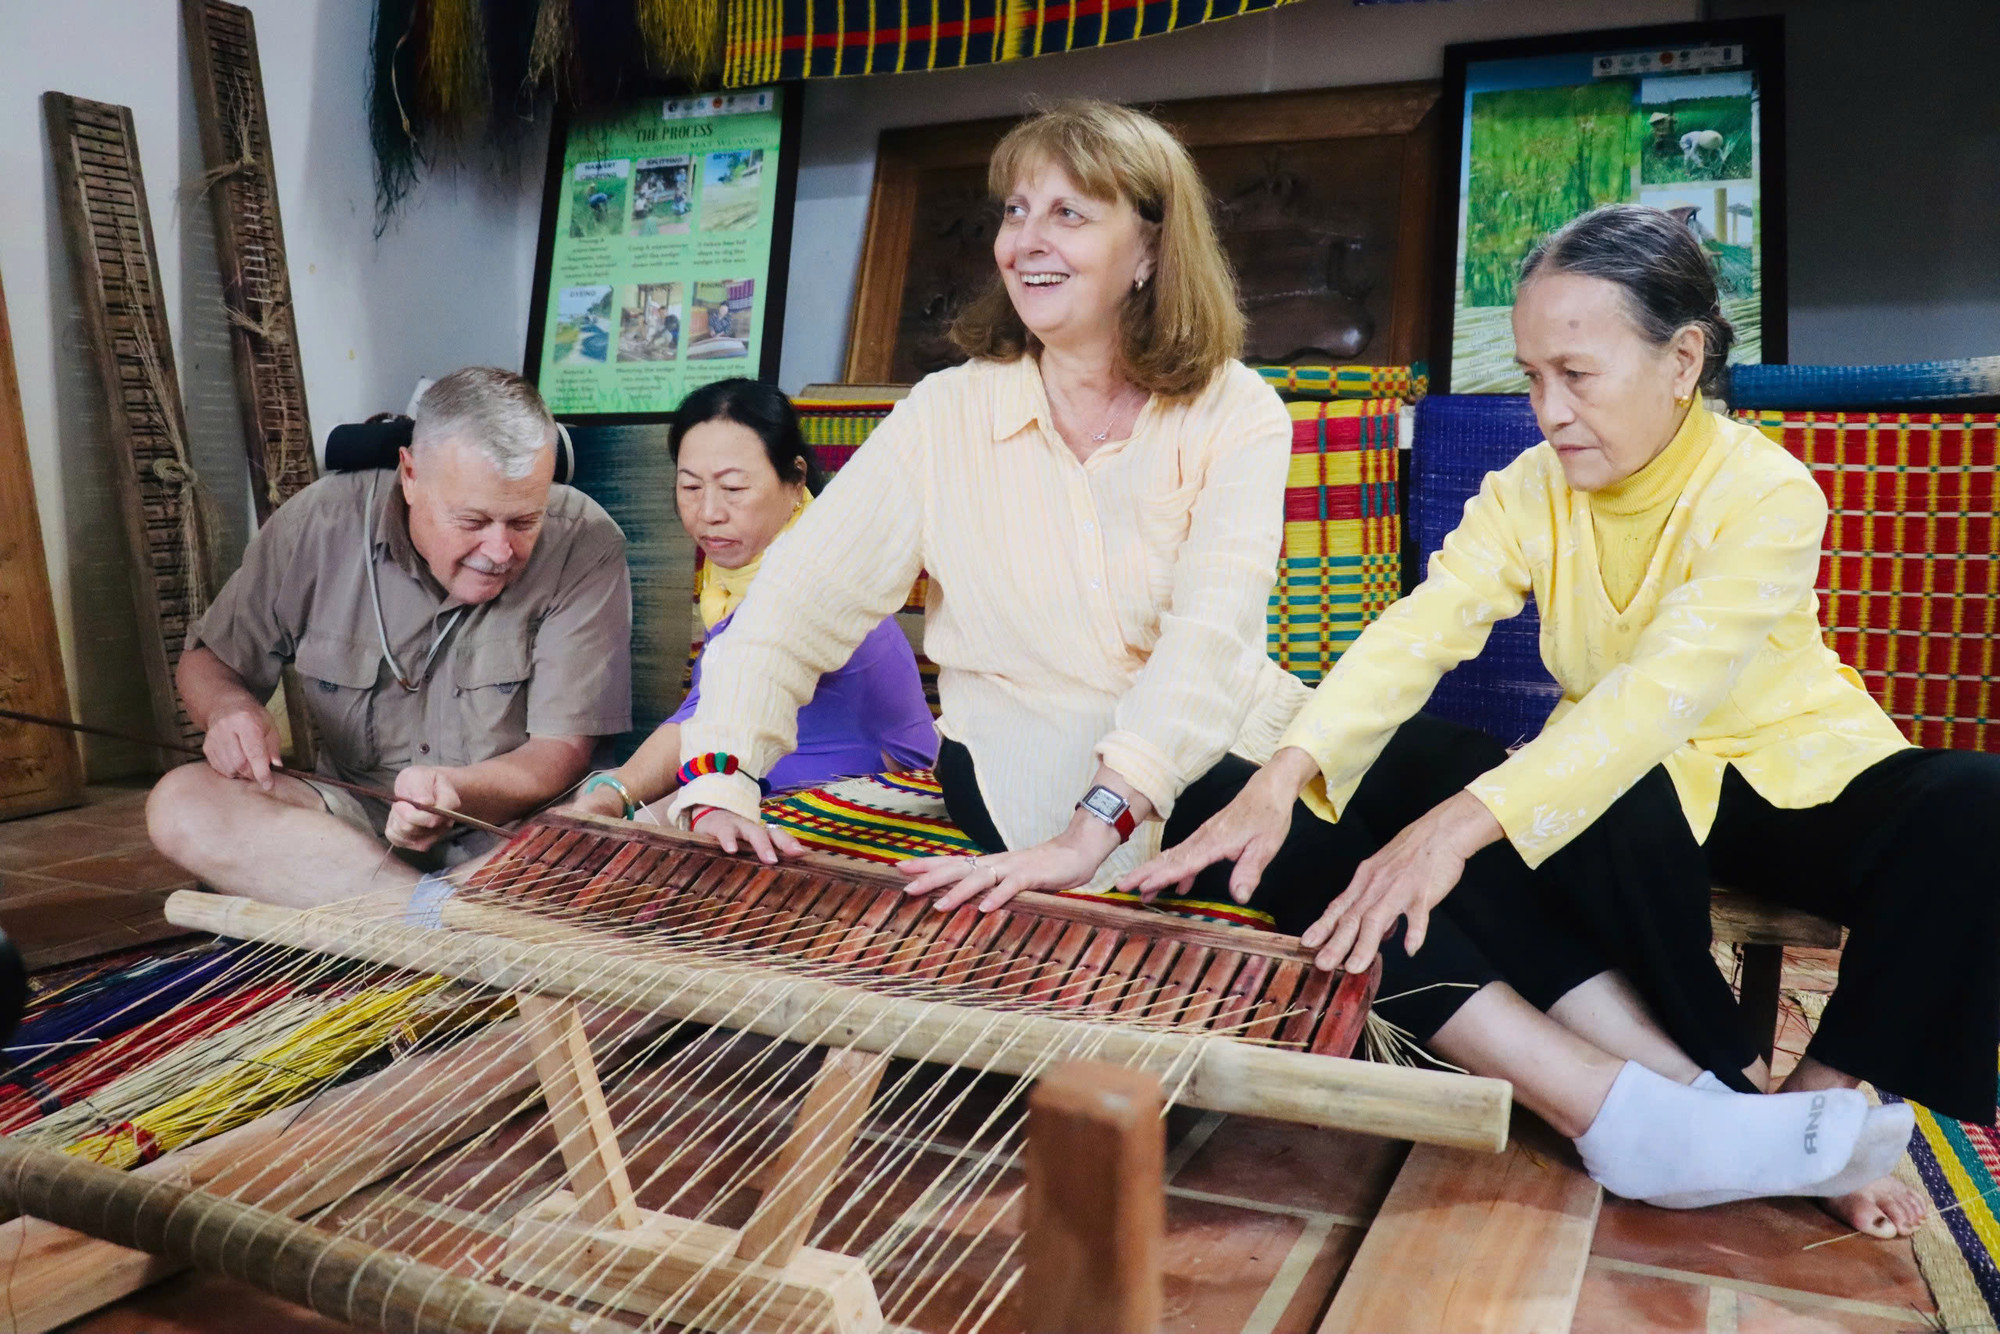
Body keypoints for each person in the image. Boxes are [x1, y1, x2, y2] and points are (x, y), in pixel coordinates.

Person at [1125, 204, 1937, 1227]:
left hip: (1789, 774)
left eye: (1575, 374)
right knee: (1265, 785)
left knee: (1971, 804)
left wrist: (1453, 826)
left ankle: (1812, 1101)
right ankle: (1715, 1104)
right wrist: (1287, 769)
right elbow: (1418, 631)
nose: (1546, 408)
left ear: (1681, 358)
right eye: (1530, 376)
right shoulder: (1527, 489)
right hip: (1622, 793)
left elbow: (1656, 695)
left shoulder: (1767, 491)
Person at [664, 98, 1326, 914]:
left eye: (1068, 214)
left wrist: (1109, 808)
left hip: (1221, 731)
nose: (1026, 242)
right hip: (1028, 760)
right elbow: (792, 605)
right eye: (1015, 212)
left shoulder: (1236, 408)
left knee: (1456, 785)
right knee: (1348, 865)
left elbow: (1211, 643)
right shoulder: (945, 415)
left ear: (1151, 247)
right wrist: (721, 773)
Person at [147, 367, 632, 908]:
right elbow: (209, 663)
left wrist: (453, 795)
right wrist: (228, 710)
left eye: (523, 522)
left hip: (510, 833)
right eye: (472, 520)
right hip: (352, 828)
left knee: (612, 837)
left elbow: (560, 753)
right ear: (410, 474)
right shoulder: (322, 523)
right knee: (183, 804)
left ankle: (380, 911)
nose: (498, 551)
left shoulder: (585, 542)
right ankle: (435, 914)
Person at [569, 379, 936, 822]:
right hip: (771, 784)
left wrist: (618, 789)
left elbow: (705, 712)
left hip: (870, 800)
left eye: (734, 488)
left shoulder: (817, 573)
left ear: (795, 478)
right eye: (690, 488)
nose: (709, 512)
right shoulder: (729, 577)